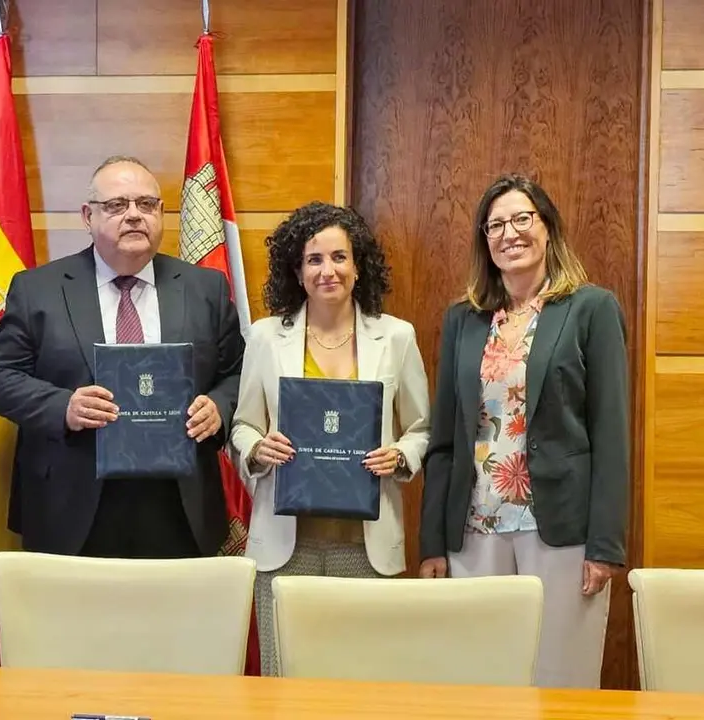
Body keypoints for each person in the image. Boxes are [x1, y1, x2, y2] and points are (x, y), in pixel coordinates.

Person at [0, 155, 244, 559]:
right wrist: (63, 406)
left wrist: (219, 407)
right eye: (117, 205)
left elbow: (239, 373)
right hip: (70, 501)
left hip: (179, 505)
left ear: (161, 213)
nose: (134, 215)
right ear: (88, 216)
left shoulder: (205, 288)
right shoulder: (39, 289)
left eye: (146, 204)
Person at [420, 174, 629, 688]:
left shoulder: (590, 309)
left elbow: (611, 434)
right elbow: (445, 439)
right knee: (480, 680)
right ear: (484, 241)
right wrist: (432, 544)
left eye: (521, 218)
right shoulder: (464, 319)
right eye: (495, 225)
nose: (509, 233)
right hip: (475, 527)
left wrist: (605, 545)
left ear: (548, 227)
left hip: (560, 529)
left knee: (562, 680)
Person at [228, 202, 431, 676]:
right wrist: (257, 448)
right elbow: (242, 425)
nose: (328, 270)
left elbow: (421, 429)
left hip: (366, 545)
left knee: (362, 678)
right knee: (285, 679)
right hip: (285, 545)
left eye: (340, 257)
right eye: (314, 259)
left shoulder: (396, 337)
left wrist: (400, 455)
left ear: (358, 266)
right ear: (297, 272)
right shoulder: (265, 338)